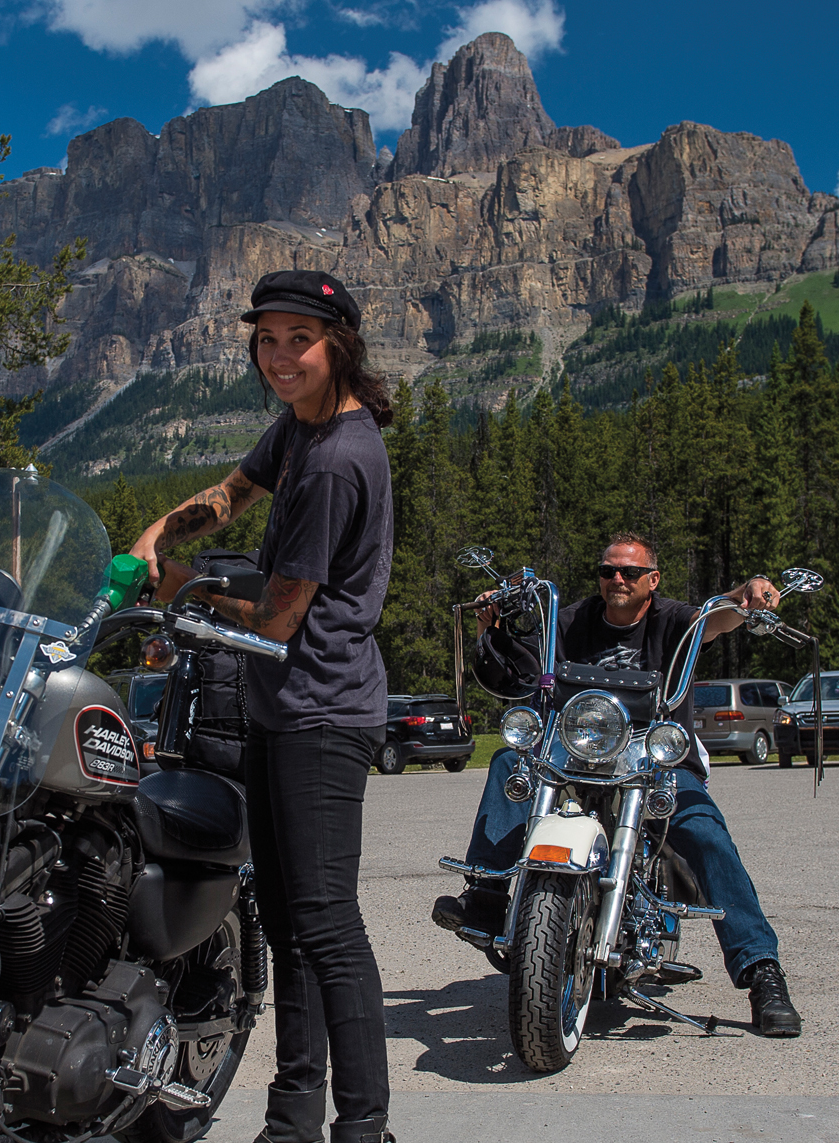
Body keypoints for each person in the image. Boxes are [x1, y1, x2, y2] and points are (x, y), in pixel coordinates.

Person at [131, 270, 396, 1143]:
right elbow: (236, 490)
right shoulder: (299, 430)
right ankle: (292, 1122)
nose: (279, 356)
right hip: (286, 708)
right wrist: (164, 531)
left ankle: (362, 1128)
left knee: (325, 925)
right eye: (267, 338)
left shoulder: (336, 461)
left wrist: (188, 591)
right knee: (287, 925)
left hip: (322, 713)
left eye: (299, 339)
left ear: (339, 345)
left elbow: (280, 617)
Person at [432, 533, 802, 1036]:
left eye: (629, 572)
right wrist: (492, 626)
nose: (617, 580)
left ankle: (762, 970)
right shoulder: (570, 619)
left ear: (653, 579)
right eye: (608, 571)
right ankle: (488, 895)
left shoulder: (675, 620)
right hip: (576, 757)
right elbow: (521, 673)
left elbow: (721, 617)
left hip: (655, 759)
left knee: (707, 834)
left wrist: (749, 594)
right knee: (507, 764)